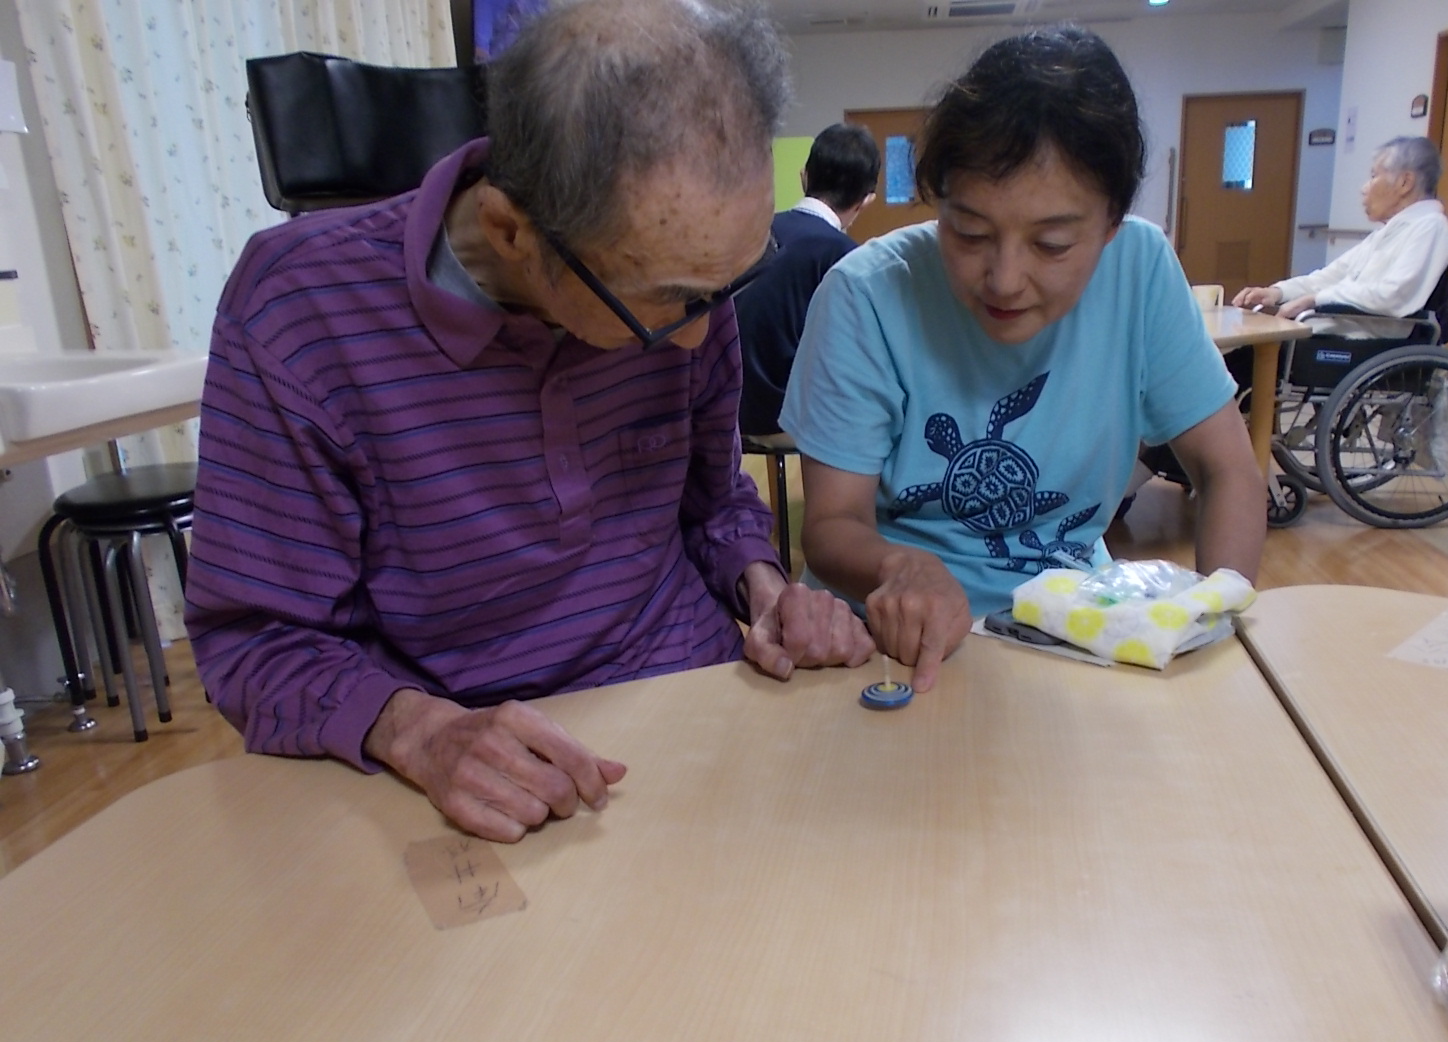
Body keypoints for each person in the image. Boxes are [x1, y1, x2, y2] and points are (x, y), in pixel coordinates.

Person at [184, 0, 874, 843]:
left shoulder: (687, 284)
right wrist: (419, 733)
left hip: (693, 699)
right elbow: (256, 640)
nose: (699, 336)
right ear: (510, 230)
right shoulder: (298, 309)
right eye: (667, 301)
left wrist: (760, 584)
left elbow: (712, 501)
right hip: (482, 764)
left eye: (725, 284)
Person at [780, 26, 1264, 692]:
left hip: (1069, 631)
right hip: (884, 643)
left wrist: (1212, 629)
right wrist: (898, 567)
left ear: (1112, 225)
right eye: (970, 232)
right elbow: (833, 524)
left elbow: (1228, 471)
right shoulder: (867, 294)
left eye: (1052, 245)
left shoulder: (1141, 269)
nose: (1005, 279)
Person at [734, 123, 879, 437]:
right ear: (866, 200)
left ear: (804, 177)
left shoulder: (751, 232)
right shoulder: (848, 258)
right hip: (789, 415)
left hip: (722, 405)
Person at [1233, 136, 1448, 322]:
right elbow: (1328, 277)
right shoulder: (1387, 233)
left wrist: (1316, 299)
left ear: (1405, 183)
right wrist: (1278, 292)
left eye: (1374, 176)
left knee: (1244, 353)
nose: (1364, 189)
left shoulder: (1430, 227)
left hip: (1364, 341)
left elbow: (1394, 294)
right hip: (1335, 330)